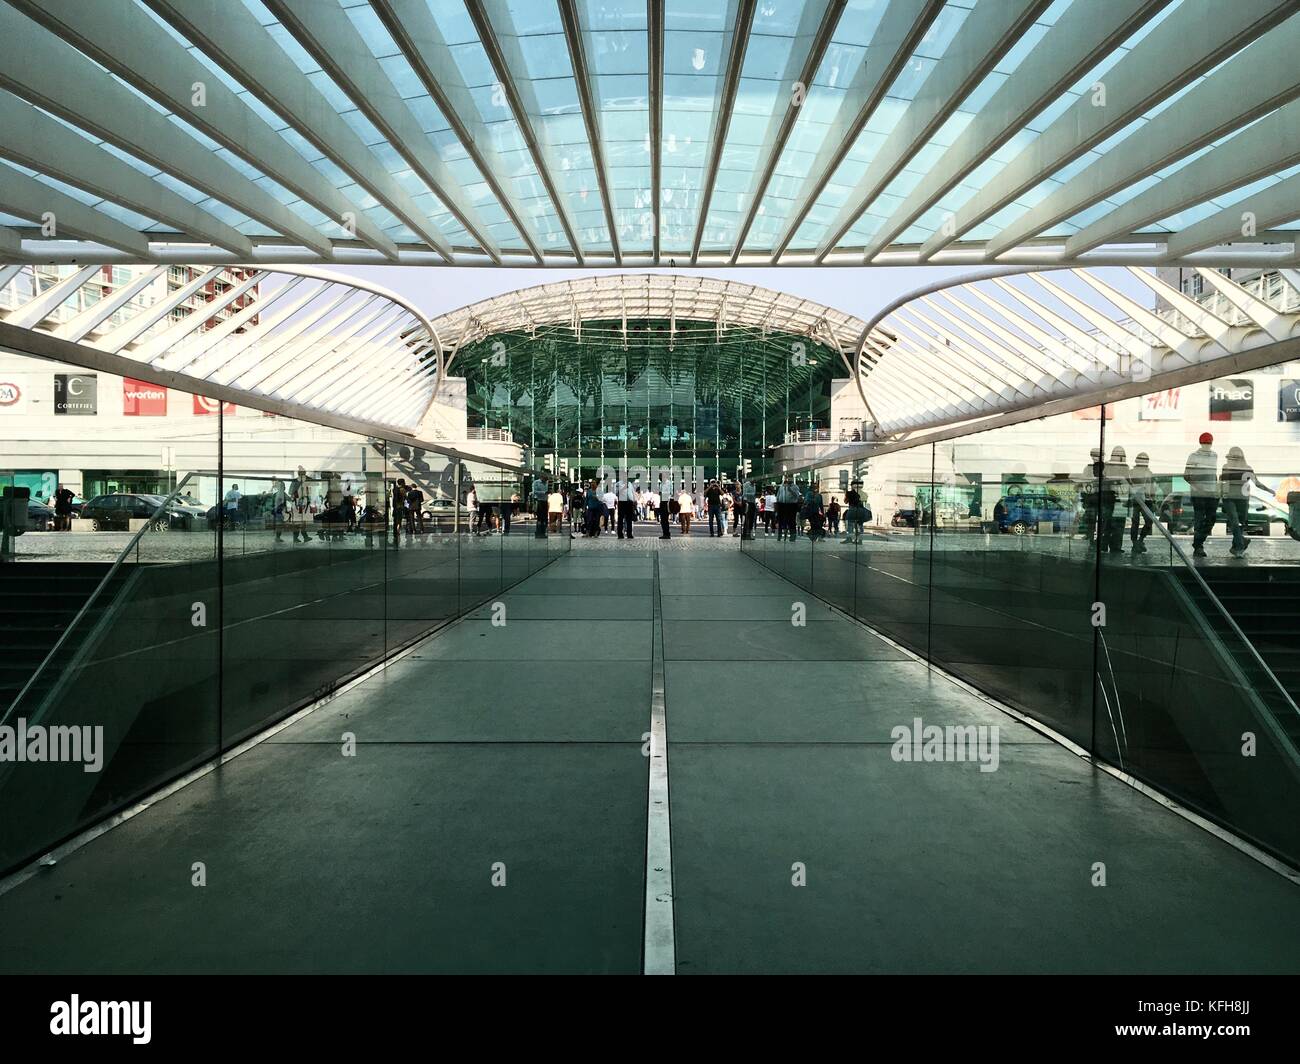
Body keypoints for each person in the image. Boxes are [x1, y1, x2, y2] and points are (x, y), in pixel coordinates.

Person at [1220, 446, 1273, 558]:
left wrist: (1268, 490)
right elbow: (1223, 483)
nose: (1234, 459)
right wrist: (1221, 497)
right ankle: (1240, 546)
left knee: (1240, 524)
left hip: (1242, 499)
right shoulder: (1226, 467)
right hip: (1229, 498)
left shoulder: (1247, 468)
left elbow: (1256, 483)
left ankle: (1236, 546)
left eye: (1236, 457)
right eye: (1233, 457)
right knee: (1235, 523)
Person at [1184, 432, 1219, 558]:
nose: (1207, 445)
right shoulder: (1193, 456)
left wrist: (1217, 488)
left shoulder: (1215, 456)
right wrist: (1198, 487)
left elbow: (1214, 474)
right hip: (1198, 493)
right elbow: (1186, 475)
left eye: (1209, 443)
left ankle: (1198, 543)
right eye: (1205, 443)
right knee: (1199, 519)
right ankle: (1198, 546)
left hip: (1211, 493)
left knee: (1211, 518)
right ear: (1201, 443)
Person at [1101, 446, 1130, 553]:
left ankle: (1109, 546)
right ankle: (1113, 546)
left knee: (1110, 523)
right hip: (1115, 498)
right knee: (1114, 524)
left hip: (1115, 498)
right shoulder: (1123, 467)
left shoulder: (1108, 466)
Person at [1128, 452, 1155, 553]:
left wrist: (1153, 499)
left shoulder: (1149, 473)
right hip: (1135, 499)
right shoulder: (1131, 472)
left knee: (1148, 521)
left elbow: (1151, 487)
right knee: (1136, 522)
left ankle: (1139, 541)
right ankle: (1136, 543)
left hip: (1146, 500)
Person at [616, 475, 637, 540]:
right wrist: (624, 488)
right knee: (620, 518)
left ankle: (629, 534)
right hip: (622, 502)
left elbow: (633, 492)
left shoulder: (630, 483)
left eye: (626, 476)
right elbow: (617, 493)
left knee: (629, 519)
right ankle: (620, 534)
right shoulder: (618, 484)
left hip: (629, 502)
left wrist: (634, 500)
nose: (625, 478)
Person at [270, 477, 289, 542]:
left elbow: (289, 499)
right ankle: (277, 537)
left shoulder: (279, 494)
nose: (284, 487)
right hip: (279, 511)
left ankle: (278, 537)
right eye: (283, 486)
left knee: (280, 525)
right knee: (279, 525)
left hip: (279, 511)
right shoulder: (280, 494)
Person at [390, 478, 406, 546]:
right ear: (402, 483)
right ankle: (397, 531)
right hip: (399, 506)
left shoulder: (394, 489)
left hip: (395, 506)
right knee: (399, 520)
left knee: (395, 520)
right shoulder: (402, 489)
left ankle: (395, 532)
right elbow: (404, 497)